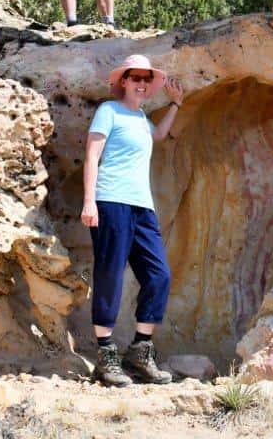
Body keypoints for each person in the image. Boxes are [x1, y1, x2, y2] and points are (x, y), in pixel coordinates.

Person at [81, 53, 184, 386]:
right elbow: (92, 156)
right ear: (123, 81)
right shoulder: (107, 112)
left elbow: (158, 136)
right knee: (110, 274)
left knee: (159, 275)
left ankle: (140, 350)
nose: (141, 83)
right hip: (110, 201)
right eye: (135, 77)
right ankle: (106, 355)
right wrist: (89, 201)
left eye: (146, 79)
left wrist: (175, 105)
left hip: (142, 207)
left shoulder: (141, 118)